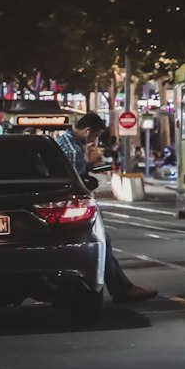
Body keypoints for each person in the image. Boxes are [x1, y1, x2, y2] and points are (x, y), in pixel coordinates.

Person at [56, 114, 157, 303]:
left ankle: (121, 287)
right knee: (100, 242)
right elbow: (74, 184)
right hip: (78, 206)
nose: (95, 141)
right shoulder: (72, 149)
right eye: (95, 136)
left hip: (71, 207)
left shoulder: (65, 142)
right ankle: (120, 289)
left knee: (103, 242)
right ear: (88, 131)